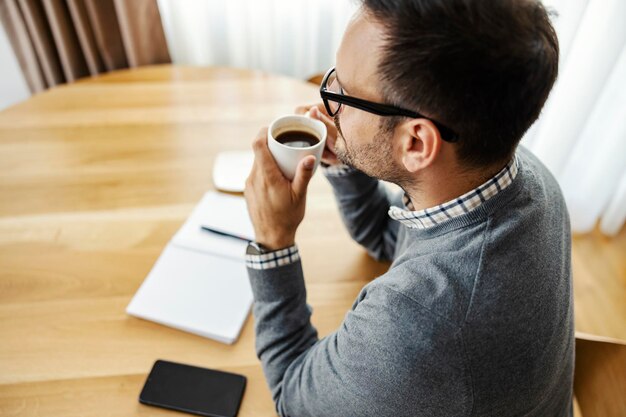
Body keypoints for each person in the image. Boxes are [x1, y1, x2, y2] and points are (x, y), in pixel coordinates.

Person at [243, 0, 573, 416]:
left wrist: (274, 244)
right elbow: (390, 238)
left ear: (416, 143)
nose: (328, 105)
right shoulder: (527, 178)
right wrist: (346, 155)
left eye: (343, 93)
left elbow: (294, 397)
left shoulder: (417, 322)